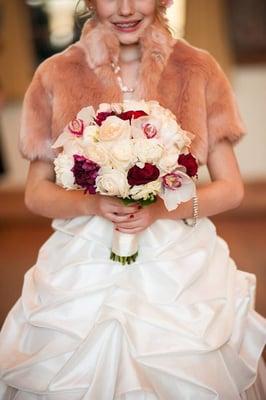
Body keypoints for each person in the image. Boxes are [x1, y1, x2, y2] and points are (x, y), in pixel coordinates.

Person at [0, 0, 265, 398]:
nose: (125, 9)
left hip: (179, 263)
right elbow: (37, 192)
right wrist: (92, 204)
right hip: (83, 260)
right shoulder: (55, 74)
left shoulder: (198, 68)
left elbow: (230, 187)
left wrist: (160, 209)